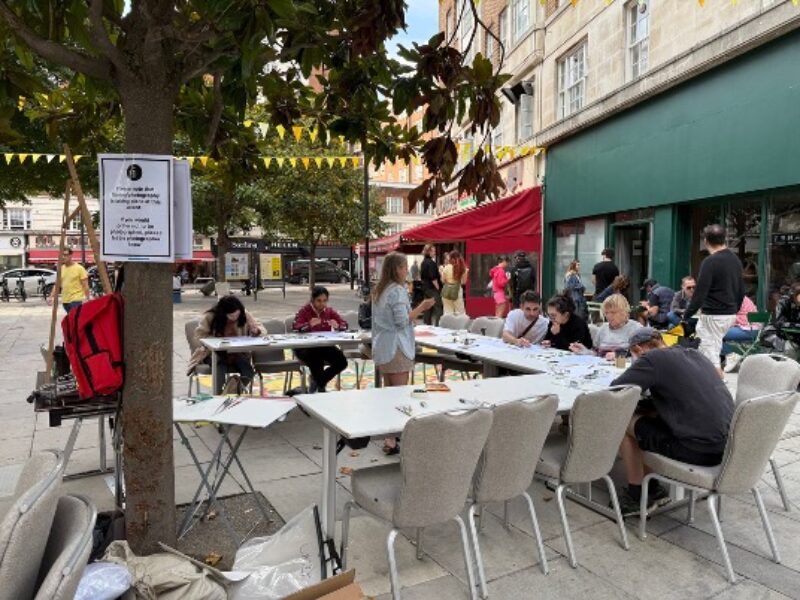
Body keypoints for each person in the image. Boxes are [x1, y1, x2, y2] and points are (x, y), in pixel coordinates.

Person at [611, 328, 734, 515]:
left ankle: (636, 496)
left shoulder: (652, 359)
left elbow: (616, 391)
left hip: (696, 450)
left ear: (637, 349)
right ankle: (652, 486)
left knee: (623, 418)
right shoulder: (694, 354)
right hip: (725, 448)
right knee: (646, 418)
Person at [371, 252, 435, 454]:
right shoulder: (397, 291)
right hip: (397, 348)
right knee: (399, 396)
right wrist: (421, 307)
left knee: (389, 394)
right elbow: (401, 321)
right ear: (397, 269)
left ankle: (390, 438)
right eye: (404, 266)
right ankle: (397, 438)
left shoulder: (380, 290)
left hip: (383, 347)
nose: (407, 270)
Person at [683, 224, 745, 376]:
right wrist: (734, 309)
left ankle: (717, 390)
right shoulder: (735, 260)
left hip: (713, 316)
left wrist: (686, 315)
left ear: (706, 241)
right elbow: (741, 290)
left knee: (710, 359)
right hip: (729, 315)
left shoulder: (710, 262)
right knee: (712, 352)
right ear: (724, 239)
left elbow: (699, 293)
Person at [187, 296, 265, 387]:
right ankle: (219, 393)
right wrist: (216, 341)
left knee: (248, 370)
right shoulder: (211, 316)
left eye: (237, 315)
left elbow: (261, 328)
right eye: (231, 316)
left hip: (237, 352)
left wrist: (257, 330)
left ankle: (235, 389)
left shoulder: (244, 314)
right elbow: (199, 335)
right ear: (223, 313)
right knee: (219, 364)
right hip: (214, 353)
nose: (235, 318)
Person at [292, 286, 349, 393]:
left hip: (323, 345)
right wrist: (308, 325)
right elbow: (295, 327)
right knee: (316, 359)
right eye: (319, 301)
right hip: (305, 347)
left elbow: (345, 324)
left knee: (342, 361)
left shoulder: (329, 311)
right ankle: (320, 387)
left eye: (324, 301)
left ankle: (318, 381)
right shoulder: (304, 310)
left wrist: (338, 326)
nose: (322, 304)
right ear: (312, 300)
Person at [570, 294, 642, 360]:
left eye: (613, 312)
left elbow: (642, 354)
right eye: (606, 313)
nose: (609, 316)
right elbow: (597, 354)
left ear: (624, 312)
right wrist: (585, 351)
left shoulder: (636, 328)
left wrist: (619, 355)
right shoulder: (603, 329)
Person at [720, 296, 761, 373]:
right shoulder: (741, 297)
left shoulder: (734, 298)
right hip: (752, 329)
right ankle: (727, 356)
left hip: (748, 330)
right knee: (715, 332)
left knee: (714, 333)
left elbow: (730, 318)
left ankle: (730, 355)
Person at [763, 282, 800, 360]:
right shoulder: (784, 302)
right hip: (778, 334)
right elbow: (778, 322)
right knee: (788, 348)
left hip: (795, 337)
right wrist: (793, 325)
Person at [48, 248, 90, 313]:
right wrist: (51, 297)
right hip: (65, 300)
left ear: (71, 255)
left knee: (75, 320)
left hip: (76, 299)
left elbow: (85, 285)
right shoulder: (61, 268)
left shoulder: (79, 268)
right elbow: (57, 285)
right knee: (71, 320)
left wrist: (87, 298)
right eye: (61, 255)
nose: (63, 257)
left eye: (65, 255)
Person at [420, 244, 443, 326]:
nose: (435, 253)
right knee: (439, 308)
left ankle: (426, 326)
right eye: (434, 251)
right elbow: (433, 278)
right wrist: (438, 289)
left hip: (425, 289)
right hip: (432, 289)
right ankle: (438, 327)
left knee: (427, 308)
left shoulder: (423, 262)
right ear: (429, 252)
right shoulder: (431, 263)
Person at [441, 250, 469, 316]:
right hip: (457, 290)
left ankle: (448, 326)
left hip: (446, 291)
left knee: (447, 312)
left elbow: (443, 280)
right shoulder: (463, 268)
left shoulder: (446, 267)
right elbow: (463, 282)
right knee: (460, 313)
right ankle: (460, 326)